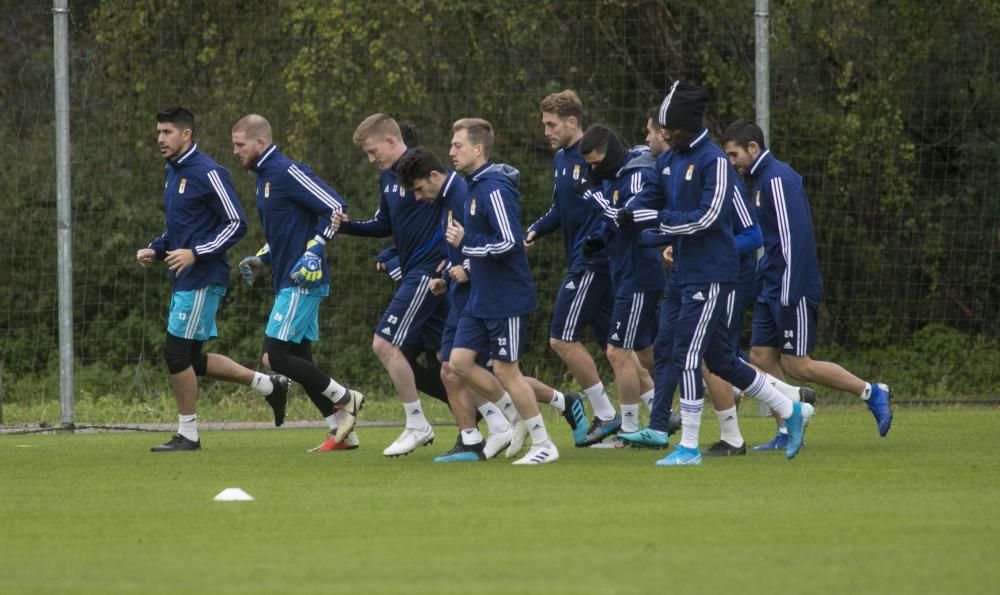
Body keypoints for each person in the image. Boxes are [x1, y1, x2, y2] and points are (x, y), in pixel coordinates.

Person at [623, 82, 809, 464]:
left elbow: (708, 218)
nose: (663, 134)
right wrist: (622, 216)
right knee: (722, 360)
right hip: (687, 274)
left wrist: (659, 221)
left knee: (688, 355)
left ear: (686, 125)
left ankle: (688, 445)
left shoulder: (714, 162)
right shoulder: (669, 160)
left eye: (668, 128)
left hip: (713, 275)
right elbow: (644, 204)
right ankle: (791, 409)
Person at [720, 118, 893, 445]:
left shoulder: (776, 180)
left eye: (733, 154)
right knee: (760, 358)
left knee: (798, 365)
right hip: (770, 285)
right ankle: (786, 430)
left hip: (790, 287)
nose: (731, 163)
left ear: (753, 148)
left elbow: (792, 240)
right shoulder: (760, 181)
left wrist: (787, 290)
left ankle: (871, 392)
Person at [137, 106, 288, 452]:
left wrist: (196, 253)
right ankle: (269, 385)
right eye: (158, 132)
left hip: (203, 276)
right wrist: (157, 249)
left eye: (167, 132)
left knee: (175, 353)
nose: (160, 139)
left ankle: (188, 434)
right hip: (185, 277)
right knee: (192, 358)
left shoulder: (209, 172)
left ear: (186, 134)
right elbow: (182, 227)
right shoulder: (172, 171)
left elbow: (236, 222)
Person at [231, 114, 364, 452]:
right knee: (300, 356)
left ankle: (346, 398)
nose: (235, 151)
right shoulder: (263, 178)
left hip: (302, 280)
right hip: (285, 277)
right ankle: (341, 434)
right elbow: (287, 232)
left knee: (273, 357)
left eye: (239, 144)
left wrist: (316, 249)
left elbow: (335, 206)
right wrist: (262, 257)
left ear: (260, 143)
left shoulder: (286, 171)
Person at [332, 114, 452, 457]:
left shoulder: (426, 170)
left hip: (428, 272)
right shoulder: (387, 177)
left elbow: (456, 209)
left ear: (390, 141)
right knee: (455, 361)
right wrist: (348, 226)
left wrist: (452, 255)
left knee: (384, 344)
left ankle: (417, 424)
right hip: (415, 271)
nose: (371, 160)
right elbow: (385, 223)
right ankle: (506, 415)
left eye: (372, 151)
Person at [444, 117, 560, 464]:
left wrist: (467, 244)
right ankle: (515, 419)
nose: (451, 151)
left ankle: (543, 444)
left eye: (458, 145)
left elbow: (510, 241)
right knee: (458, 363)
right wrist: (468, 262)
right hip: (482, 295)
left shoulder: (494, 188)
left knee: (507, 370)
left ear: (478, 149)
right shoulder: (473, 187)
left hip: (506, 296)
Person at [394, 146, 518, 461]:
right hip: (459, 294)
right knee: (450, 368)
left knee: (468, 368)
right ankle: (476, 436)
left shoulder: (463, 195)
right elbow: (457, 249)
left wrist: (469, 271)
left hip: (479, 297)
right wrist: (447, 278)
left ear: (434, 176)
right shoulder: (447, 200)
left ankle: (519, 419)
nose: (419, 198)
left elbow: (497, 244)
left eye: (420, 189)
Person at [524, 90, 611, 445]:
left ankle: (606, 415)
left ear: (573, 122)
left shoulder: (597, 156)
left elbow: (616, 205)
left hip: (594, 260)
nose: (546, 130)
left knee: (561, 339)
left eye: (551, 124)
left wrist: (599, 239)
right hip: (583, 260)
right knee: (624, 350)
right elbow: (559, 209)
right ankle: (654, 419)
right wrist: (535, 229)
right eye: (544, 124)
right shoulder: (561, 159)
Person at [576, 125, 665, 447]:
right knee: (637, 352)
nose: (592, 170)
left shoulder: (638, 174)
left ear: (610, 154)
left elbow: (629, 216)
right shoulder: (615, 178)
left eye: (596, 163)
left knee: (618, 352)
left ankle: (629, 428)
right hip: (625, 274)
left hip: (641, 273)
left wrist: (594, 197)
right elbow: (613, 224)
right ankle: (659, 414)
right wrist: (598, 240)